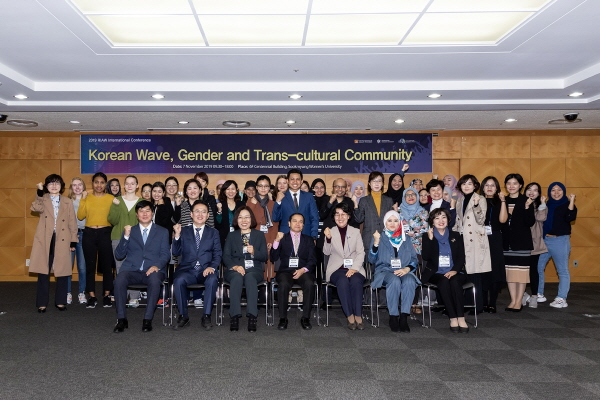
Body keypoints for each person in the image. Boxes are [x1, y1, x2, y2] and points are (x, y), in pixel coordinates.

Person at [112, 201, 170, 333]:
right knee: (119, 280)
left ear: (152, 213)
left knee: (155, 280)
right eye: (141, 211)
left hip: (153, 270)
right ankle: (121, 319)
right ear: (136, 215)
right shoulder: (130, 231)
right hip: (132, 269)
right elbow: (119, 255)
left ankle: (147, 319)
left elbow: (165, 254)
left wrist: (157, 266)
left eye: (147, 211)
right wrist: (126, 236)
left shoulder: (162, 231)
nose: (144, 214)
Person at [30, 175, 78, 312]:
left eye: (57, 183)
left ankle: (61, 302)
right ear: (46, 186)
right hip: (45, 239)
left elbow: (72, 221)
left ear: (61, 186)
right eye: (51, 183)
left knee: (62, 271)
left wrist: (73, 240)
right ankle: (42, 303)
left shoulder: (67, 201)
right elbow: (35, 208)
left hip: (62, 238)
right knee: (43, 271)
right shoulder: (43, 198)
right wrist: (39, 192)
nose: (54, 186)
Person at [171, 200, 222, 330]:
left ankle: (206, 315)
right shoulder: (183, 230)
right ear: (191, 214)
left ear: (208, 215)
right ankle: (183, 316)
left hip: (206, 269)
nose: (200, 214)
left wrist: (212, 267)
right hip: (188, 270)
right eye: (197, 211)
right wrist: (177, 236)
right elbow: (175, 252)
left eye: (203, 212)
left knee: (212, 279)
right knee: (179, 280)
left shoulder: (213, 232)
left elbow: (217, 254)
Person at [369, 210, 419, 333]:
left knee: (410, 281)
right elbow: (371, 259)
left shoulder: (406, 238)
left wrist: (407, 269)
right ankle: (393, 316)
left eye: (395, 221)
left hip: (403, 270)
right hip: (384, 271)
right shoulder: (379, 237)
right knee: (394, 281)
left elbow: (414, 259)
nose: (392, 223)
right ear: (385, 222)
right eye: (389, 221)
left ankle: (404, 316)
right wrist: (376, 243)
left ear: (399, 223)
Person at [421, 208, 470, 333]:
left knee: (454, 281)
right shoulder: (427, 236)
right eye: (437, 218)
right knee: (443, 281)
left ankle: (461, 317)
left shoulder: (456, 235)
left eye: (443, 217)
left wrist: (455, 270)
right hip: (436, 273)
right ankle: (452, 317)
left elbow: (461, 256)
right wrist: (431, 239)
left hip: (455, 271)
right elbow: (426, 256)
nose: (441, 220)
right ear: (432, 221)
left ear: (448, 220)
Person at [223, 207, 268, 332]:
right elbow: (226, 256)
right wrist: (235, 267)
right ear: (236, 220)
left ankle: (252, 316)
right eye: (240, 217)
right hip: (234, 268)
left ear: (251, 219)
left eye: (247, 217)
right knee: (236, 278)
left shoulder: (259, 235)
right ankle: (234, 316)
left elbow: (264, 256)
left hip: (254, 268)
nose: (244, 220)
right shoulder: (232, 235)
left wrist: (254, 252)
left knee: (250, 278)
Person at [322, 203, 366, 330]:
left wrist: (354, 268)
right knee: (343, 281)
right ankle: (350, 315)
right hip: (336, 269)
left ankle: (358, 315)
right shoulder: (330, 231)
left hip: (354, 267)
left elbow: (361, 253)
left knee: (356, 281)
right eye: (337, 214)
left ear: (348, 216)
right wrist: (328, 239)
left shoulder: (355, 232)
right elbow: (326, 252)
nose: (340, 217)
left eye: (343, 214)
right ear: (334, 217)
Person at [270, 213, 317, 330]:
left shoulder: (309, 240)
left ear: (303, 225)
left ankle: (305, 317)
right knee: (283, 284)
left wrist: (303, 270)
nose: (297, 223)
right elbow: (273, 257)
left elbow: (312, 260)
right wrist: (276, 241)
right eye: (295, 221)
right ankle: (283, 318)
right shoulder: (282, 238)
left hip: (303, 271)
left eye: (300, 221)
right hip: (285, 271)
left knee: (309, 284)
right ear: (289, 223)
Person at [453, 174, 491, 313]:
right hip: (463, 240)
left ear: (475, 185)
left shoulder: (480, 199)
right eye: (464, 184)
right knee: (466, 274)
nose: (466, 186)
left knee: (475, 275)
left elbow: (481, 220)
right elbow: (458, 221)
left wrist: (476, 205)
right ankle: (468, 304)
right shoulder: (460, 200)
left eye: (469, 183)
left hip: (475, 241)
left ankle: (477, 306)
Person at [77, 172, 114, 308]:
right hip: (89, 233)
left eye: (102, 182)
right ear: (92, 183)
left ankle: (107, 295)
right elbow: (80, 216)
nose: (99, 185)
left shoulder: (111, 198)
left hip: (105, 233)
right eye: (96, 182)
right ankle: (92, 296)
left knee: (107, 266)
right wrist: (82, 199)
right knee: (90, 266)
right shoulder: (87, 197)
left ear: (105, 184)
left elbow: (114, 217)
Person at [537, 182, 577, 308]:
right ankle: (539, 293)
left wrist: (571, 201)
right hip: (545, 240)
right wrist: (542, 204)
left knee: (562, 270)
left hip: (560, 241)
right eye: (553, 190)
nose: (556, 192)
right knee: (538, 267)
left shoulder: (567, 205)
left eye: (559, 190)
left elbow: (570, 217)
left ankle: (561, 298)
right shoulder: (547, 204)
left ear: (563, 191)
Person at [502, 174, 535, 312]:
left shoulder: (526, 200)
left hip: (522, 242)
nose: (511, 186)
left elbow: (530, 222)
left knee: (521, 273)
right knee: (510, 273)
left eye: (515, 183)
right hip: (506, 242)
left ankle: (519, 301)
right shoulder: (503, 200)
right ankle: (513, 300)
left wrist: (527, 207)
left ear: (520, 185)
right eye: (509, 183)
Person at [479, 176, 507, 313]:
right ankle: (484, 301)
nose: (489, 188)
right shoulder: (477, 201)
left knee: (495, 271)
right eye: (487, 185)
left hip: (495, 238)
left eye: (493, 185)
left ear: (497, 188)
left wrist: (503, 201)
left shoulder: (500, 201)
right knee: (482, 271)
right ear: (482, 188)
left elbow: (503, 220)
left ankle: (492, 303)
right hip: (480, 238)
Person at [272, 169, 319, 239]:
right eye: (292, 179)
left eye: (298, 179)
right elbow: (275, 218)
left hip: (306, 236)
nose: (295, 182)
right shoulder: (282, 197)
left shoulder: (309, 196)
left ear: (301, 181)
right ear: (288, 181)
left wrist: (313, 236)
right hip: (286, 237)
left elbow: (314, 218)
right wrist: (278, 201)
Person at [108, 175, 141, 274]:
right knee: (120, 269)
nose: (129, 186)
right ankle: (120, 285)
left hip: (136, 240)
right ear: (124, 186)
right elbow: (112, 220)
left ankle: (133, 286)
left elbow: (144, 223)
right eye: (127, 183)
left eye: (132, 183)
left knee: (135, 268)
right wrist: (115, 206)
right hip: (118, 238)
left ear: (137, 186)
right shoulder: (117, 200)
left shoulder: (142, 202)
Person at [354, 171, 394, 251]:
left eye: (379, 181)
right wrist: (355, 204)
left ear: (382, 184)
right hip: (369, 239)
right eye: (374, 181)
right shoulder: (364, 200)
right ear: (369, 183)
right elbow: (359, 219)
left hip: (386, 239)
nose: (377, 183)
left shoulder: (389, 200)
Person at [523, 182, 547, 308]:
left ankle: (534, 296)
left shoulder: (540, 207)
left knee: (533, 270)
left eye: (535, 190)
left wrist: (542, 205)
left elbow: (541, 218)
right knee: (521, 270)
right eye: (529, 189)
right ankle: (522, 294)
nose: (532, 192)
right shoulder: (520, 203)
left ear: (538, 193)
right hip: (521, 242)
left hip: (534, 243)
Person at [66, 177, 87, 305]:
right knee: (67, 267)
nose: (77, 187)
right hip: (69, 236)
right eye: (74, 185)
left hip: (84, 235)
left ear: (83, 187)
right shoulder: (67, 202)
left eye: (80, 185)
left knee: (82, 267)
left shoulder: (88, 200)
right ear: (71, 188)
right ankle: (67, 293)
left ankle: (81, 292)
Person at [399, 188, 429, 256]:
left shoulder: (423, 212)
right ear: (404, 198)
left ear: (417, 196)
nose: (410, 197)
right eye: (407, 195)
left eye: (413, 194)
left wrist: (413, 233)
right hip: (402, 248)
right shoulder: (398, 212)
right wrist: (405, 233)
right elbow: (395, 229)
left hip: (419, 248)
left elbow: (425, 230)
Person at [216, 180, 245, 247]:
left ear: (236, 190)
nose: (230, 191)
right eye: (228, 189)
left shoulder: (241, 204)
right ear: (224, 191)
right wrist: (219, 211)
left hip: (239, 238)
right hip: (224, 239)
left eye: (233, 189)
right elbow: (218, 224)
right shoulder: (220, 204)